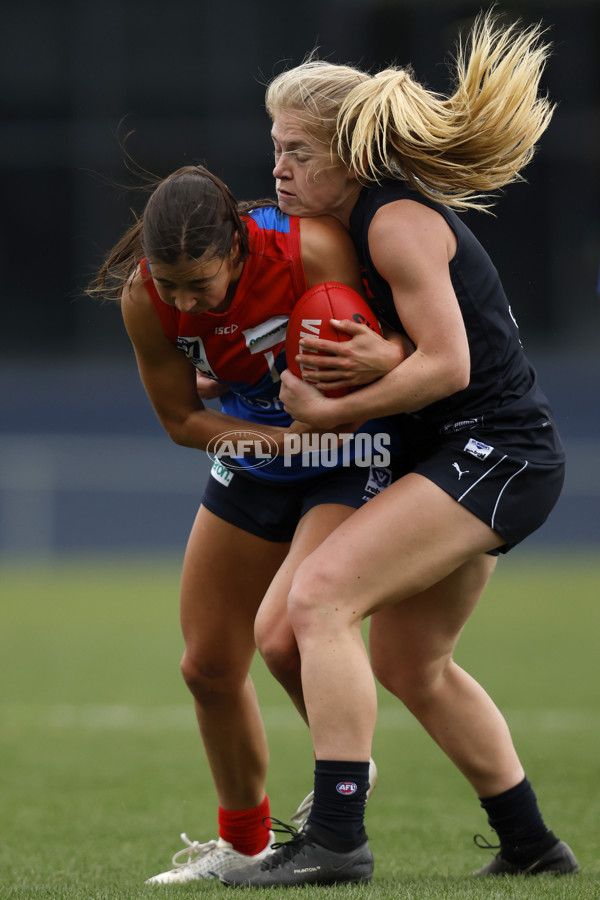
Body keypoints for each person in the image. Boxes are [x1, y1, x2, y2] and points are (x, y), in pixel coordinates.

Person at [222, 12, 579, 887]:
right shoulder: (345, 234)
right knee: (404, 661)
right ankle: (533, 844)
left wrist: (339, 411)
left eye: (299, 150)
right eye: (275, 148)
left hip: (497, 453)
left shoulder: (395, 221)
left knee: (322, 601)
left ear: (351, 154)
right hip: (468, 454)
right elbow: (412, 356)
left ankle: (339, 837)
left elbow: (450, 363)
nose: (279, 167)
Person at [89, 163, 406, 883]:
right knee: (206, 667)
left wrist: (368, 374)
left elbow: (409, 343)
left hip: (348, 452)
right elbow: (180, 420)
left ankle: (343, 762)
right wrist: (279, 441)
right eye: (171, 285)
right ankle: (245, 843)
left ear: (236, 247)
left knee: (291, 628)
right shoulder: (146, 297)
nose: (185, 301)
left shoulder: (312, 249)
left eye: (198, 283)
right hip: (260, 455)